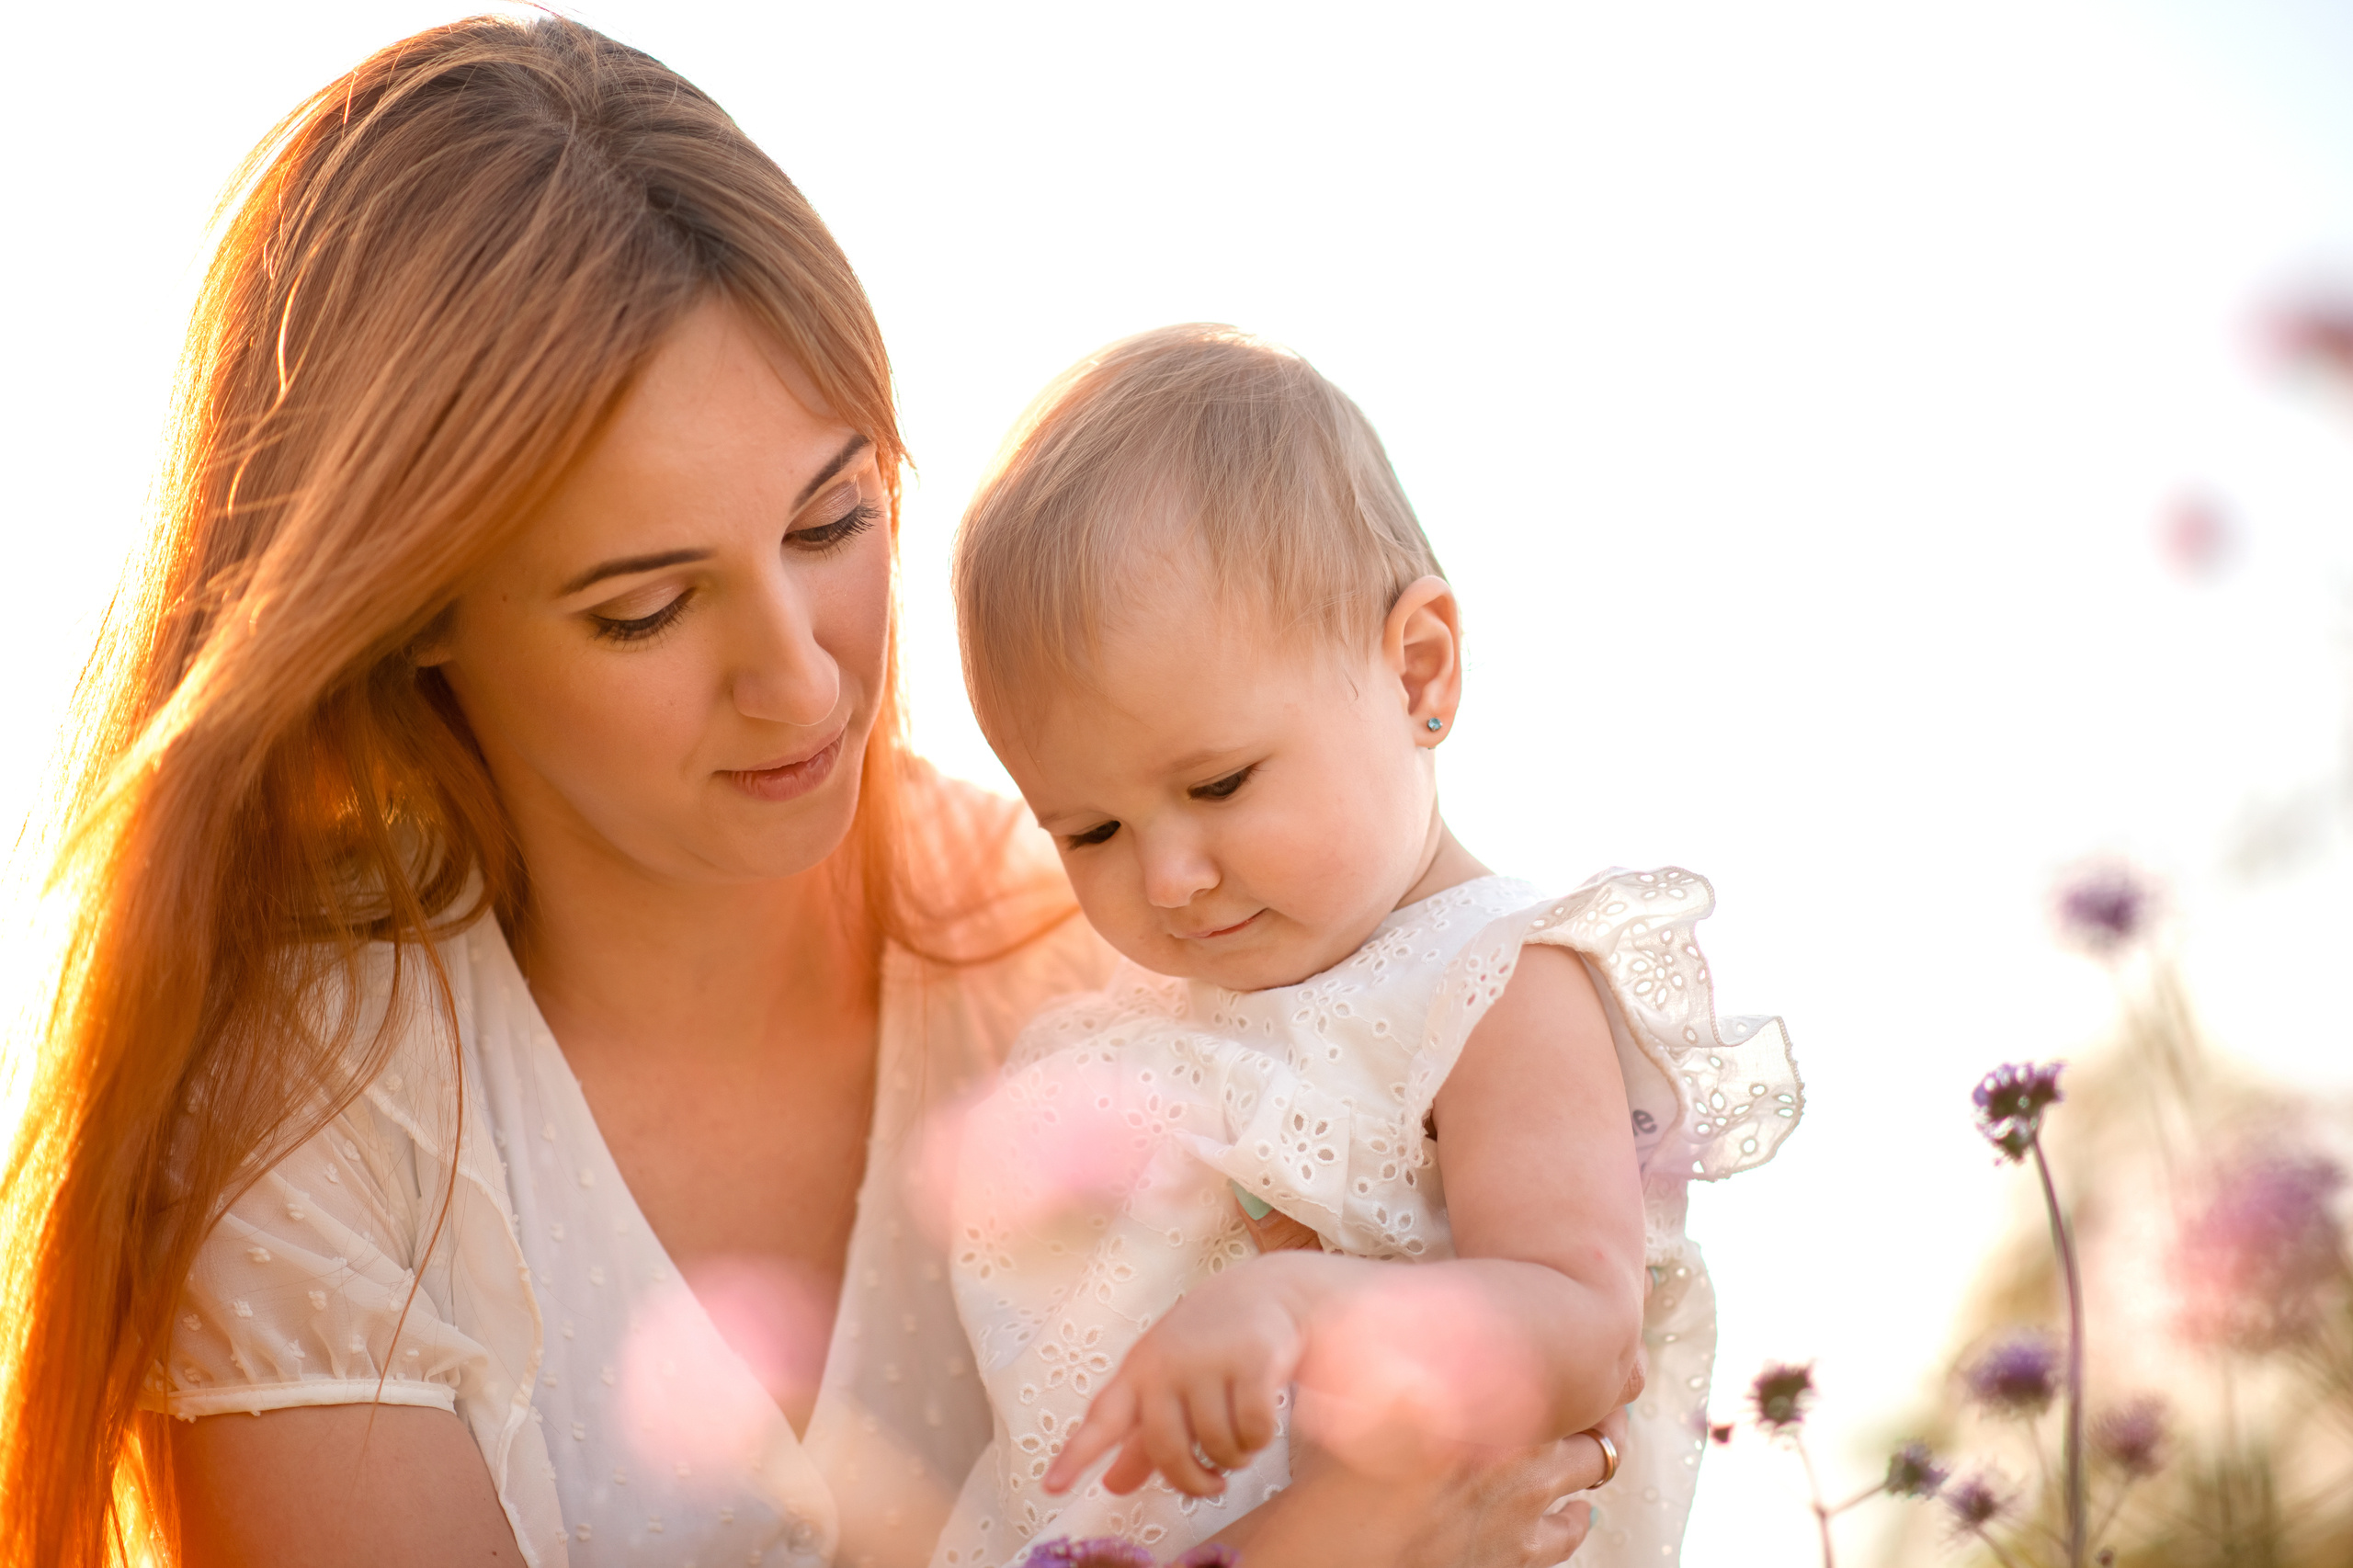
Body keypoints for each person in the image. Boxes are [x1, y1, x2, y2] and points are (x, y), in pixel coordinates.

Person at [0, 17, 1623, 1568]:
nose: (805, 679)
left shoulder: (1113, 960)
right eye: (644, 605)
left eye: (833, 521)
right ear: (419, 614)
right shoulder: (320, 1133)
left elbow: (1552, 1362)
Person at [933, 326, 1805, 1567]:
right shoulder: (1144, 1029)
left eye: (1223, 782)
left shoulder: (1496, 983)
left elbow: (1581, 1323)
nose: (1169, 875)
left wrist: (1302, 1303)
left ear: (1415, 670)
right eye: (1091, 827)